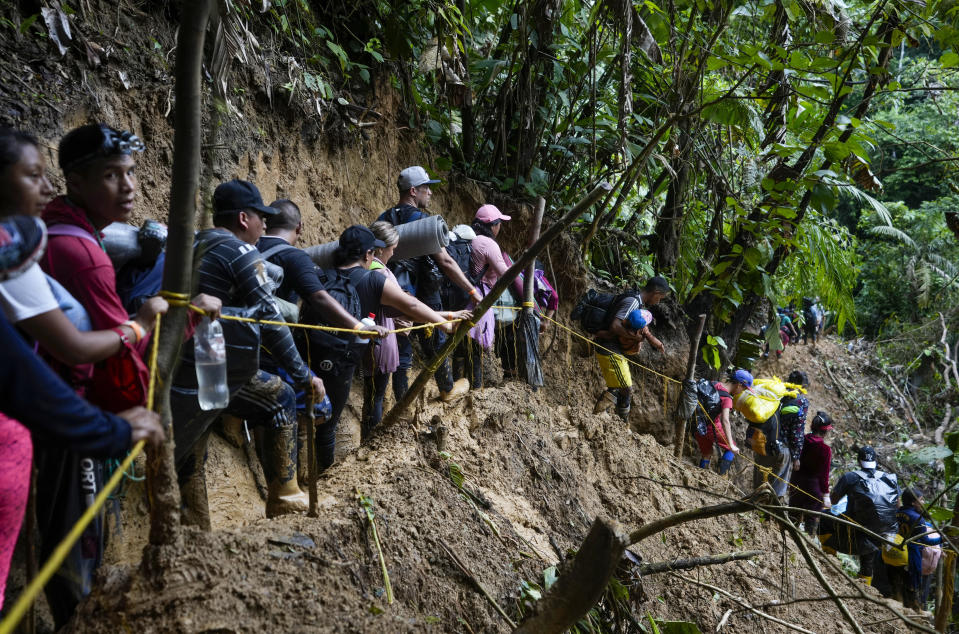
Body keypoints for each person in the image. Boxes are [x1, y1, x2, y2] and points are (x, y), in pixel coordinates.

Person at [0, 214, 164, 610]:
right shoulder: (80, 255)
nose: (127, 184)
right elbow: (67, 353)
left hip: (63, 424)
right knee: (77, 545)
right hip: (71, 423)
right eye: (112, 173)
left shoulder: (47, 245)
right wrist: (140, 328)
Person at [171, 179, 323, 524]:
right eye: (260, 217)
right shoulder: (240, 252)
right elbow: (269, 318)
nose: (264, 224)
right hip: (216, 366)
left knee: (190, 454)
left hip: (179, 366)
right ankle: (284, 495)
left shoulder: (194, 245)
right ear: (243, 218)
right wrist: (303, 376)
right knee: (280, 397)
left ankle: (194, 532)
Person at [298, 225, 470, 468]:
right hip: (340, 362)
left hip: (307, 353)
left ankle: (296, 476)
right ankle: (324, 478)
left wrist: (447, 314)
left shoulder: (323, 275)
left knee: (301, 419)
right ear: (368, 254)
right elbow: (408, 306)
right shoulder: (373, 279)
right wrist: (444, 325)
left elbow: (402, 312)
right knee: (328, 427)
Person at [377, 166, 476, 401]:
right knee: (435, 337)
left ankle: (400, 399)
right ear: (413, 191)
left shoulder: (384, 218)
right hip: (419, 289)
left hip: (390, 287)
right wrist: (471, 290)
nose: (430, 193)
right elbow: (446, 262)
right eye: (426, 188)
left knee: (401, 343)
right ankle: (447, 388)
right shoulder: (423, 221)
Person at [591, 277, 669, 421]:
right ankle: (616, 421)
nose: (658, 301)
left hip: (613, 348)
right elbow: (615, 326)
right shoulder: (633, 301)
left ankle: (606, 420)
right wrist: (635, 338)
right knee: (625, 387)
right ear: (656, 292)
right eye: (660, 298)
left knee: (619, 387)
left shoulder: (637, 302)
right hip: (609, 347)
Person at [830, 446, 900, 585]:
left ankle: (829, 562)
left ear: (858, 460)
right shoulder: (889, 478)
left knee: (826, 521)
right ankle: (868, 584)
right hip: (889, 528)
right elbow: (898, 505)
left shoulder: (850, 477)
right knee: (870, 558)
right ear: (876, 461)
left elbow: (833, 501)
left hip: (860, 527)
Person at [464, 204, 513, 388]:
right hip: (479, 300)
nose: (500, 227)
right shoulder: (489, 244)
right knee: (476, 349)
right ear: (493, 225)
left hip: (463, 296)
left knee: (462, 348)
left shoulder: (470, 238)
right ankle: (475, 390)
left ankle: (459, 384)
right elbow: (504, 274)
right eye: (499, 223)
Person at [361, 221, 402, 438]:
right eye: (392, 248)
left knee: (374, 395)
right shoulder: (379, 272)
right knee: (375, 396)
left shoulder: (373, 268)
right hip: (380, 337)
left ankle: (369, 439)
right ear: (380, 248)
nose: (393, 252)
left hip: (380, 334)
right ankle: (371, 441)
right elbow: (396, 305)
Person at [728, 368, 792, 498]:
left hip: (762, 447)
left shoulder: (761, 406)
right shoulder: (770, 404)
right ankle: (765, 511)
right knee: (772, 487)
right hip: (773, 448)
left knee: (760, 483)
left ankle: (759, 508)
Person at [896, 488, 942, 609]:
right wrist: (942, 539)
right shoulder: (918, 519)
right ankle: (915, 607)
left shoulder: (898, 512)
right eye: (921, 499)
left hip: (896, 550)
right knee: (914, 582)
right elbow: (926, 541)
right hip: (912, 553)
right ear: (913, 502)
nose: (923, 502)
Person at [789, 411, 833, 535]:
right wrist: (826, 495)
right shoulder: (825, 449)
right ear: (825, 431)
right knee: (812, 518)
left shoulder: (801, 440)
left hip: (796, 482)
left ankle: (789, 537)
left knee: (793, 513)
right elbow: (824, 476)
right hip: (814, 488)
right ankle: (809, 542)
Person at [692, 378, 739, 474]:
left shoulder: (714, 384)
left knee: (707, 452)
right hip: (712, 428)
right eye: (744, 389)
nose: (741, 392)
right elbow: (725, 420)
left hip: (698, 424)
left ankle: (702, 475)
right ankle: (722, 477)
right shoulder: (727, 398)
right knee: (731, 448)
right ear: (739, 385)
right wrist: (731, 444)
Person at [781, 370, 810, 474]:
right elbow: (797, 431)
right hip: (782, 448)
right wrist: (796, 457)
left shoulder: (779, 393)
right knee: (776, 488)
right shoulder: (801, 401)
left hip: (765, 441)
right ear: (802, 385)